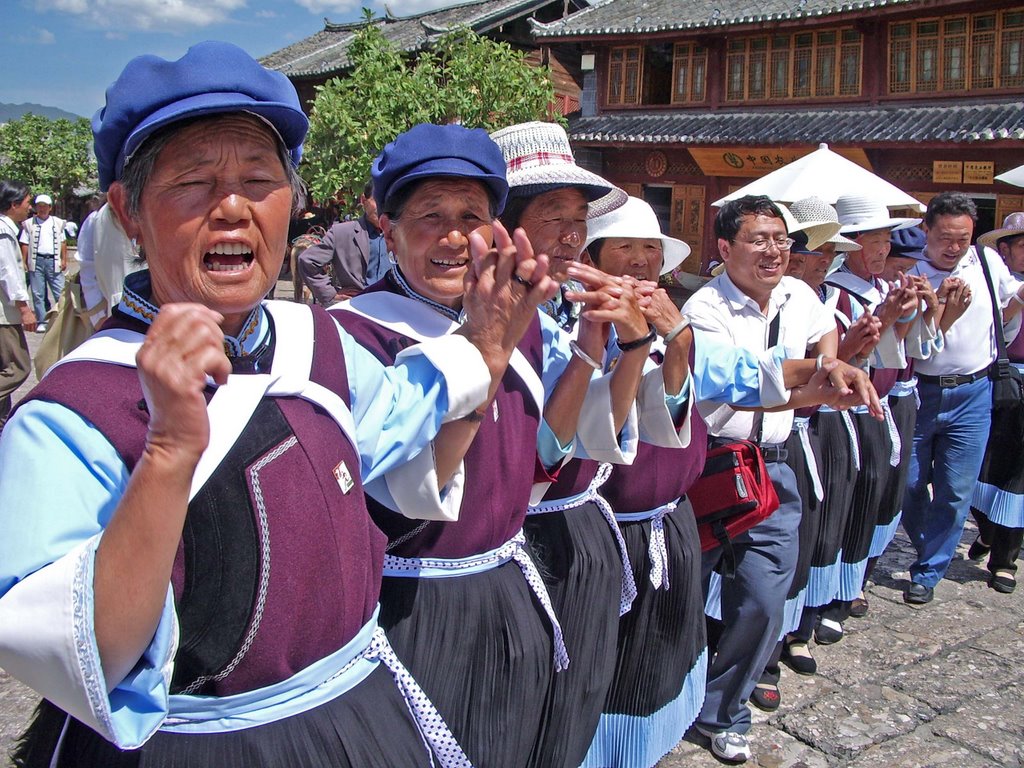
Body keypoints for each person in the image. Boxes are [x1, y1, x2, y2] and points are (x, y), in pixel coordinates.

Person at [0, 42, 555, 767]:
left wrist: (485, 344)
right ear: (128, 211)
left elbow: (402, 417)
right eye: (194, 183)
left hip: (354, 717)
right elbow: (88, 652)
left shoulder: (314, 340)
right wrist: (169, 450)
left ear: (292, 203)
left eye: (259, 180)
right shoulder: (73, 412)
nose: (232, 208)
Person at [332, 121, 647, 768]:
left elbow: (539, 466)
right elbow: (386, 499)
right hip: (408, 607)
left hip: (507, 587)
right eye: (430, 216)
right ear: (387, 230)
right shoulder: (351, 338)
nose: (453, 236)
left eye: (471, 216)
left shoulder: (514, 325)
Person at [683, 195, 882, 763]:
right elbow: (732, 387)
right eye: (758, 239)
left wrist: (839, 358)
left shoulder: (800, 294)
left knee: (766, 598)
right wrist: (817, 380)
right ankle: (673, 698)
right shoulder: (705, 309)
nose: (774, 251)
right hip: (713, 462)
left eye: (781, 239)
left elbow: (826, 342)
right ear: (725, 248)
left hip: (776, 465)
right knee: (687, 593)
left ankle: (725, 711)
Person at [902, 192, 1024, 604]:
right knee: (911, 483)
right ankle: (926, 545)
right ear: (926, 232)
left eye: (963, 238)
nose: (954, 248)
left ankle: (929, 570)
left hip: (974, 390)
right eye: (945, 238)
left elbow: (1010, 303)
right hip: (920, 393)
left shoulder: (986, 264)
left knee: (956, 490)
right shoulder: (909, 272)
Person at [814, 194, 922, 641]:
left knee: (878, 497)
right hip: (846, 414)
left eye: (884, 243)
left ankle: (852, 583)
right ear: (851, 245)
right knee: (845, 504)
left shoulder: (879, 287)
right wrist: (883, 320)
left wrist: (911, 314)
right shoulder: (837, 294)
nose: (881, 252)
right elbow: (838, 360)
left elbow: (900, 351)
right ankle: (826, 599)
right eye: (873, 243)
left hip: (885, 403)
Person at [969, 212, 1024, 593]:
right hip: (1002, 381)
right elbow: (996, 327)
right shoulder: (992, 283)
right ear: (1004, 249)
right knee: (982, 469)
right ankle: (988, 530)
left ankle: (1005, 560)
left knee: (1019, 477)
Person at [298, 181, 387, 305]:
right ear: (363, 200)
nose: (381, 208)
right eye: (376, 200)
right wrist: (330, 293)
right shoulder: (342, 233)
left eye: (386, 201)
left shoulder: (399, 235)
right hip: (357, 308)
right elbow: (307, 261)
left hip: (392, 309)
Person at [0, 180, 36, 429]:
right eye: (27, 202)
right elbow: (8, 272)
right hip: (4, 315)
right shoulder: (4, 231)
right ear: (14, 205)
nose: (30, 208)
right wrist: (24, 308)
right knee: (18, 367)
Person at [19, 193, 66, 332]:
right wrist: (24, 260)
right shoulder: (29, 224)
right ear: (36, 208)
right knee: (38, 293)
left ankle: (62, 319)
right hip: (36, 260)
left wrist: (63, 259)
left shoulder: (57, 222)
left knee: (60, 291)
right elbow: (25, 243)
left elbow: (63, 242)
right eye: (39, 206)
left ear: (50, 208)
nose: (42, 209)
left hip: (53, 260)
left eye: (45, 206)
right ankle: (42, 321)